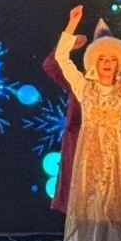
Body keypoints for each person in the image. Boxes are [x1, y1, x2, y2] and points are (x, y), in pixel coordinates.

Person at [50, 6, 121, 241]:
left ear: (118, 63)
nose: (107, 64)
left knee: (117, 202)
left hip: (118, 154)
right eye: (102, 59)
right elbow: (61, 58)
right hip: (91, 152)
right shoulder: (84, 87)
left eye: (111, 59)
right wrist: (72, 24)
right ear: (94, 62)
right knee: (93, 203)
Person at [41, 22, 93, 215]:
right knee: (78, 204)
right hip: (77, 144)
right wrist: (67, 42)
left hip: (104, 148)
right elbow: (51, 65)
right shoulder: (78, 83)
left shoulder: (116, 87)